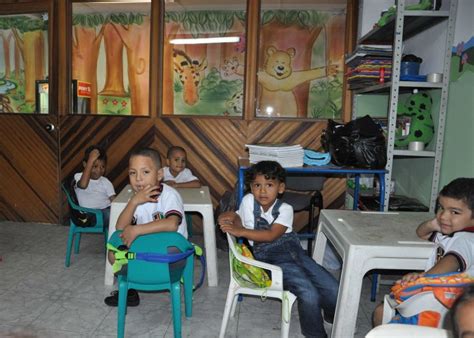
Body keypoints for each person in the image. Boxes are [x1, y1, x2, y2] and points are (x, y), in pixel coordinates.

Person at [218, 160, 338, 338]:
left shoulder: (286, 209)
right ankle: (315, 334)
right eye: (257, 185)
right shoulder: (248, 201)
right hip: (270, 261)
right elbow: (238, 217)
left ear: (280, 188)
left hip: (296, 254)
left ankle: (330, 314)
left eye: (269, 185)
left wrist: (240, 230)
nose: (263, 190)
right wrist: (227, 217)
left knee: (332, 287)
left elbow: (271, 235)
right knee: (308, 292)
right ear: (251, 187)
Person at [373, 177, 474, 326]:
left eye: (455, 212)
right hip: (435, 298)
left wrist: (422, 278)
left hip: (442, 306)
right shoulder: (452, 232)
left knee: (381, 312)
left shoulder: (466, 239)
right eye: (441, 208)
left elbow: (451, 262)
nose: (444, 216)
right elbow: (422, 233)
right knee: (383, 312)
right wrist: (434, 224)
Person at [104, 147, 188, 307]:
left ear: (159, 174)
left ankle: (138, 279)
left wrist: (136, 230)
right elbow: (120, 228)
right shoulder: (137, 198)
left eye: (145, 172)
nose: (138, 179)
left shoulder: (170, 195)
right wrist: (134, 202)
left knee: (131, 245)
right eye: (132, 173)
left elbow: (172, 224)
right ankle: (130, 289)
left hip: (171, 256)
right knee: (113, 254)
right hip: (147, 251)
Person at [74, 145, 115, 227]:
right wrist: (90, 160)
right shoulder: (78, 176)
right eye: (95, 166)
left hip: (106, 210)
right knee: (112, 216)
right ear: (85, 164)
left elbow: (113, 200)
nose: (99, 170)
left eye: (102, 167)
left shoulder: (105, 181)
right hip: (88, 215)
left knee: (122, 214)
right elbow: (83, 185)